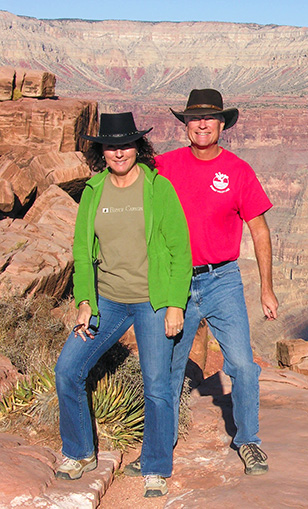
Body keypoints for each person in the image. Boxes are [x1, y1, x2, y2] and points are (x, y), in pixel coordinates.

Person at [124, 89, 278, 477]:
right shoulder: (163, 165)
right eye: (194, 119)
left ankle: (249, 442)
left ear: (223, 124)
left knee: (242, 364)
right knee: (170, 368)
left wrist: (266, 288)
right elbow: (128, 192)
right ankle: (159, 448)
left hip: (223, 279)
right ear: (186, 125)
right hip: (175, 281)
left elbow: (259, 230)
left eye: (210, 118)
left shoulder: (239, 171)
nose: (203, 124)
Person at [54, 112, 192, 498]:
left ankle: (156, 465)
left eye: (126, 144)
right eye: (111, 145)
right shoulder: (93, 190)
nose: (119, 152)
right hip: (108, 302)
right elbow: (82, 252)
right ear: (102, 150)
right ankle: (79, 451)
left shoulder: (158, 189)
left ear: (138, 147)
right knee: (68, 368)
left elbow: (181, 251)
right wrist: (85, 300)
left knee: (157, 385)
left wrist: (175, 304)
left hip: (152, 301)